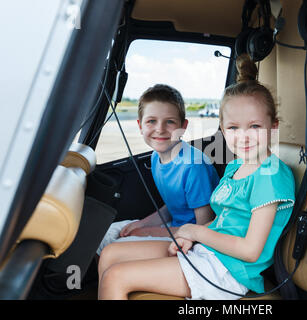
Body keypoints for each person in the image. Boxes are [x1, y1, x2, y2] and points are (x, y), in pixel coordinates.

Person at [97, 54, 295, 300]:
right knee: (109, 255)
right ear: (223, 129)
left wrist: (195, 232)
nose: (243, 136)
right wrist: (188, 238)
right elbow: (222, 222)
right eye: (233, 127)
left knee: (116, 276)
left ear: (273, 127)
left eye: (254, 126)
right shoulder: (235, 167)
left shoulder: (270, 176)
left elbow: (250, 251)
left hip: (229, 273)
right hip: (208, 253)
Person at [96, 84, 220, 254]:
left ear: (183, 126)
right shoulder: (156, 157)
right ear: (140, 125)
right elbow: (173, 206)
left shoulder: (193, 167)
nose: (160, 129)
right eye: (151, 121)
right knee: (101, 235)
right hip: (175, 226)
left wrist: (149, 232)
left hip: (193, 239)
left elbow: (203, 227)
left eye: (169, 122)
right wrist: (142, 224)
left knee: (114, 249)